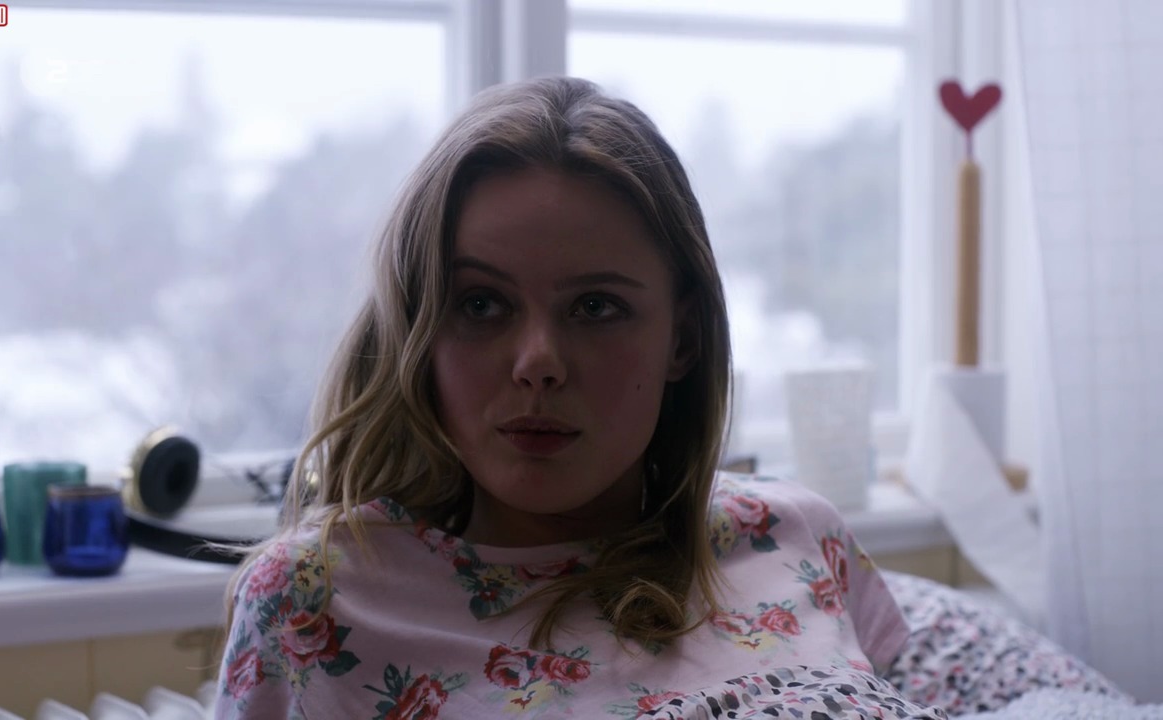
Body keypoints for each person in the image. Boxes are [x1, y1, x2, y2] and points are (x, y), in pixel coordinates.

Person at [215, 76, 944, 719]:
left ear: (683, 340)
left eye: (596, 307)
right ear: (419, 329)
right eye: (480, 304)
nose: (538, 364)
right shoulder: (314, 601)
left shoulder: (795, 533)